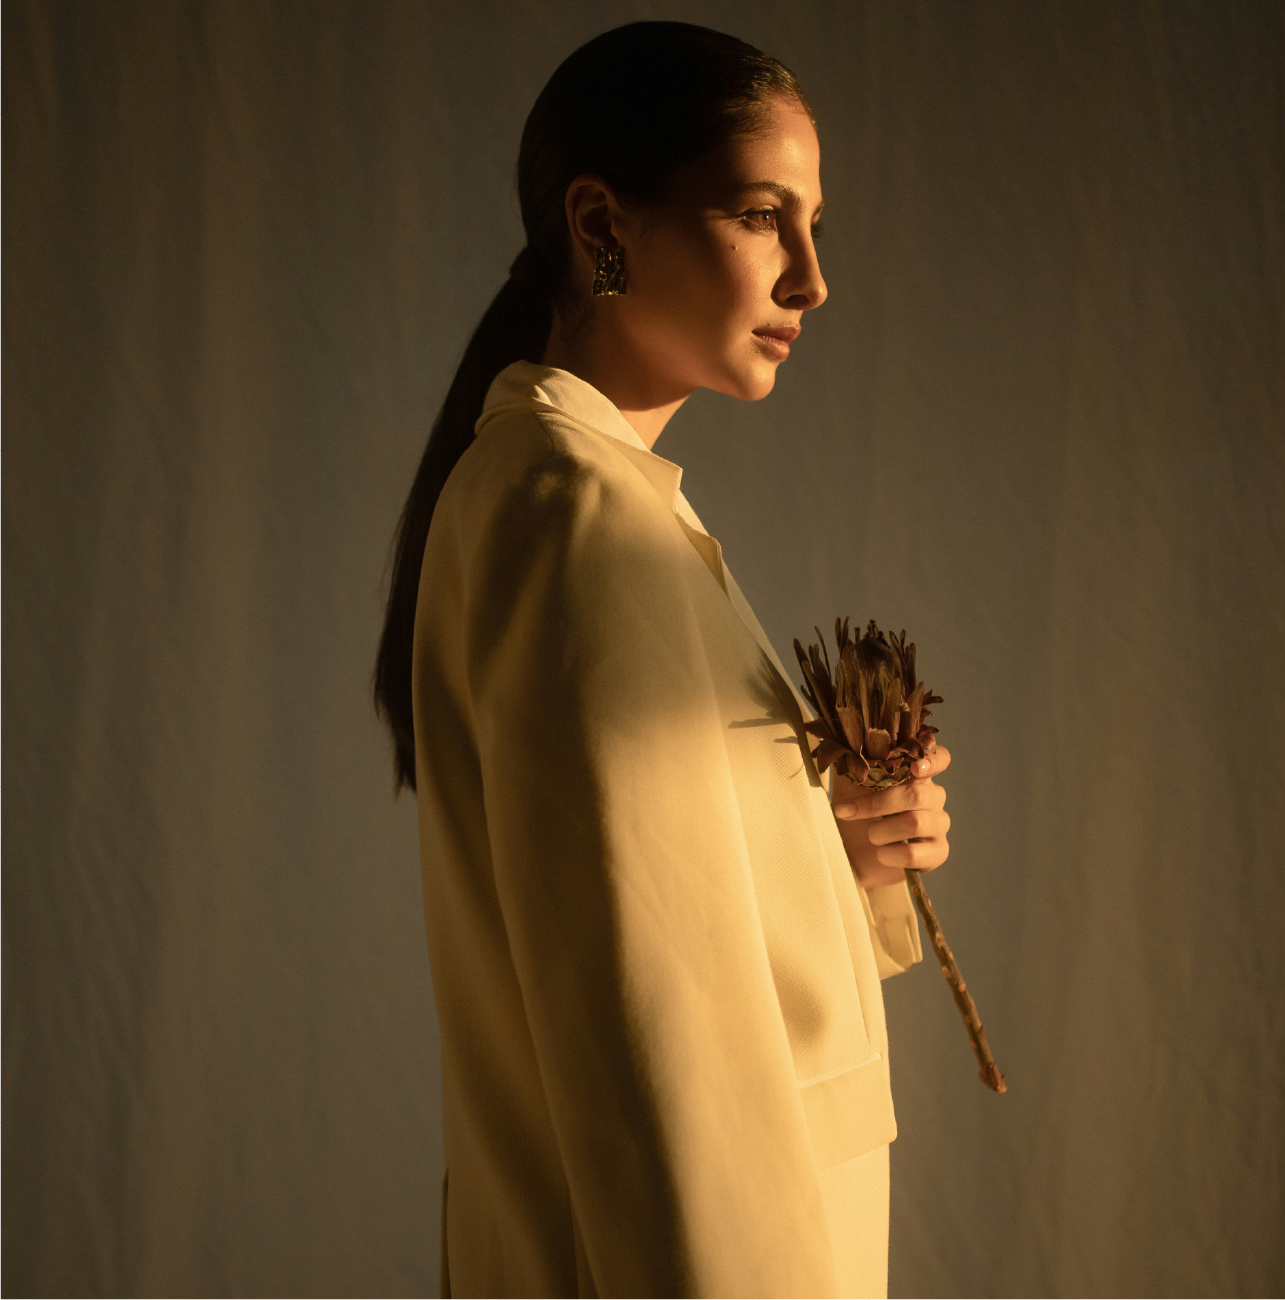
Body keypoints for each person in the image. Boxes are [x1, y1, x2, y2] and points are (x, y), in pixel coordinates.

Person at [374, 21, 952, 1300]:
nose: (810, 279)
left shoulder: (596, 503)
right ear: (601, 226)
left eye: (813, 226)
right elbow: (663, 1052)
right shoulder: (576, 518)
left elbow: (657, 943)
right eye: (760, 216)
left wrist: (835, 856)